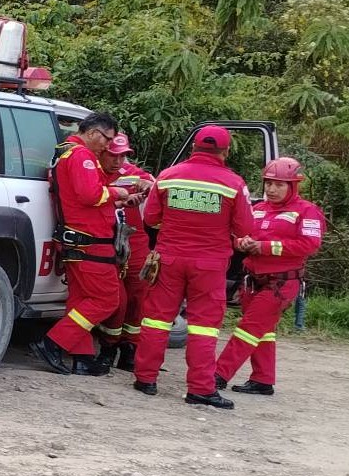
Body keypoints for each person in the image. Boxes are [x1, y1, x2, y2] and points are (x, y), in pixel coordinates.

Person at [133, 125, 254, 408]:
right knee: (203, 327)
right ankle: (200, 388)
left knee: (155, 319)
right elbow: (245, 227)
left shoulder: (167, 176)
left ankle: (145, 379)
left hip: (169, 258)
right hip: (210, 265)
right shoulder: (233, 184)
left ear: (193, 149)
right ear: (225, 151)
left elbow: (150, 219)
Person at [29, 112, 131, 376]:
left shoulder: (66, 153)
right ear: (95, 133)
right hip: (89, 242)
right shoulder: (81, 155)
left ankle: (82, 357)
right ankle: (52, 343)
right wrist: (117, 193)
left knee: (80, 300)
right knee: (108, 300)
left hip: (77, 240)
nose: (108, 147)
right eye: (107, 140)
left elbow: (83, 195)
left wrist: (113, 194)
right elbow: (90, 194)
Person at [215, 157, 325, 395]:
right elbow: (237, 234)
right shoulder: (257, 210)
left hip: (282, 282)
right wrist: (241, 242)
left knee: (248, 328)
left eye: (280, 184)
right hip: (252, 280)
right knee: (262, 331)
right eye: (269, 183)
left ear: (293, 186)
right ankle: (263, 380)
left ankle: (218, 375)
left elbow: (310, 244)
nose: (272, 189)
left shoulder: (307, 211)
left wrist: (266, 247)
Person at [94, 133, 155, 372]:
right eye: (113, 155)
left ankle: (130, 349)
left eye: (124, 156)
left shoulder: (135, 174)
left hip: (135, 240)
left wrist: (150, 186)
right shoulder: (91, 172)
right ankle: (108, 346)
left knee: (139, 296)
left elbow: (161, 189)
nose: (119, 161)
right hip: (105, 239)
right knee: (116, 299)